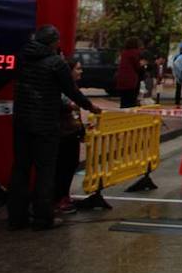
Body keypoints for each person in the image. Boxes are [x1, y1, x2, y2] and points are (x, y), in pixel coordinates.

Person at [8, 25, 101, 231]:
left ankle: (16, 217)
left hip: (21, 122)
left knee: (20, 169)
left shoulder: (22, 58)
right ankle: (43, 217)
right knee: (45, 171)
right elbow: (71, 91)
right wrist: (90, 106)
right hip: (45, 123)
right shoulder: (56, 63)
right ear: (53, 42)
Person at [54, 58, 95, 214]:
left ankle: (64, 196)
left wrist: (81, 131)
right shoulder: (62, 89)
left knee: (70, 165)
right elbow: (66, 108)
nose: (81, 71)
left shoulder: (72, 89)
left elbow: (76, 113)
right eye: (78, 69)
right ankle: (58, 199)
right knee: (62, 167)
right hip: (62, 133)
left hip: (71, 132)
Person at [115, 36, 144, 108]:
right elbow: (137, 66)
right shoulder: (135, 53)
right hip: (131, 80)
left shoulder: (124, 53)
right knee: (131, 101)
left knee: (124, 100)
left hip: (121, 79)